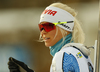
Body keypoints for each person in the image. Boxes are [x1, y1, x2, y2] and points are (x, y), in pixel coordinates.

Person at [8, 2, 93, 72]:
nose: (43, 32)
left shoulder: (63, 56)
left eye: (48, 26)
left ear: (65, 28)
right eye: (41, 27)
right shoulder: (82, 53)